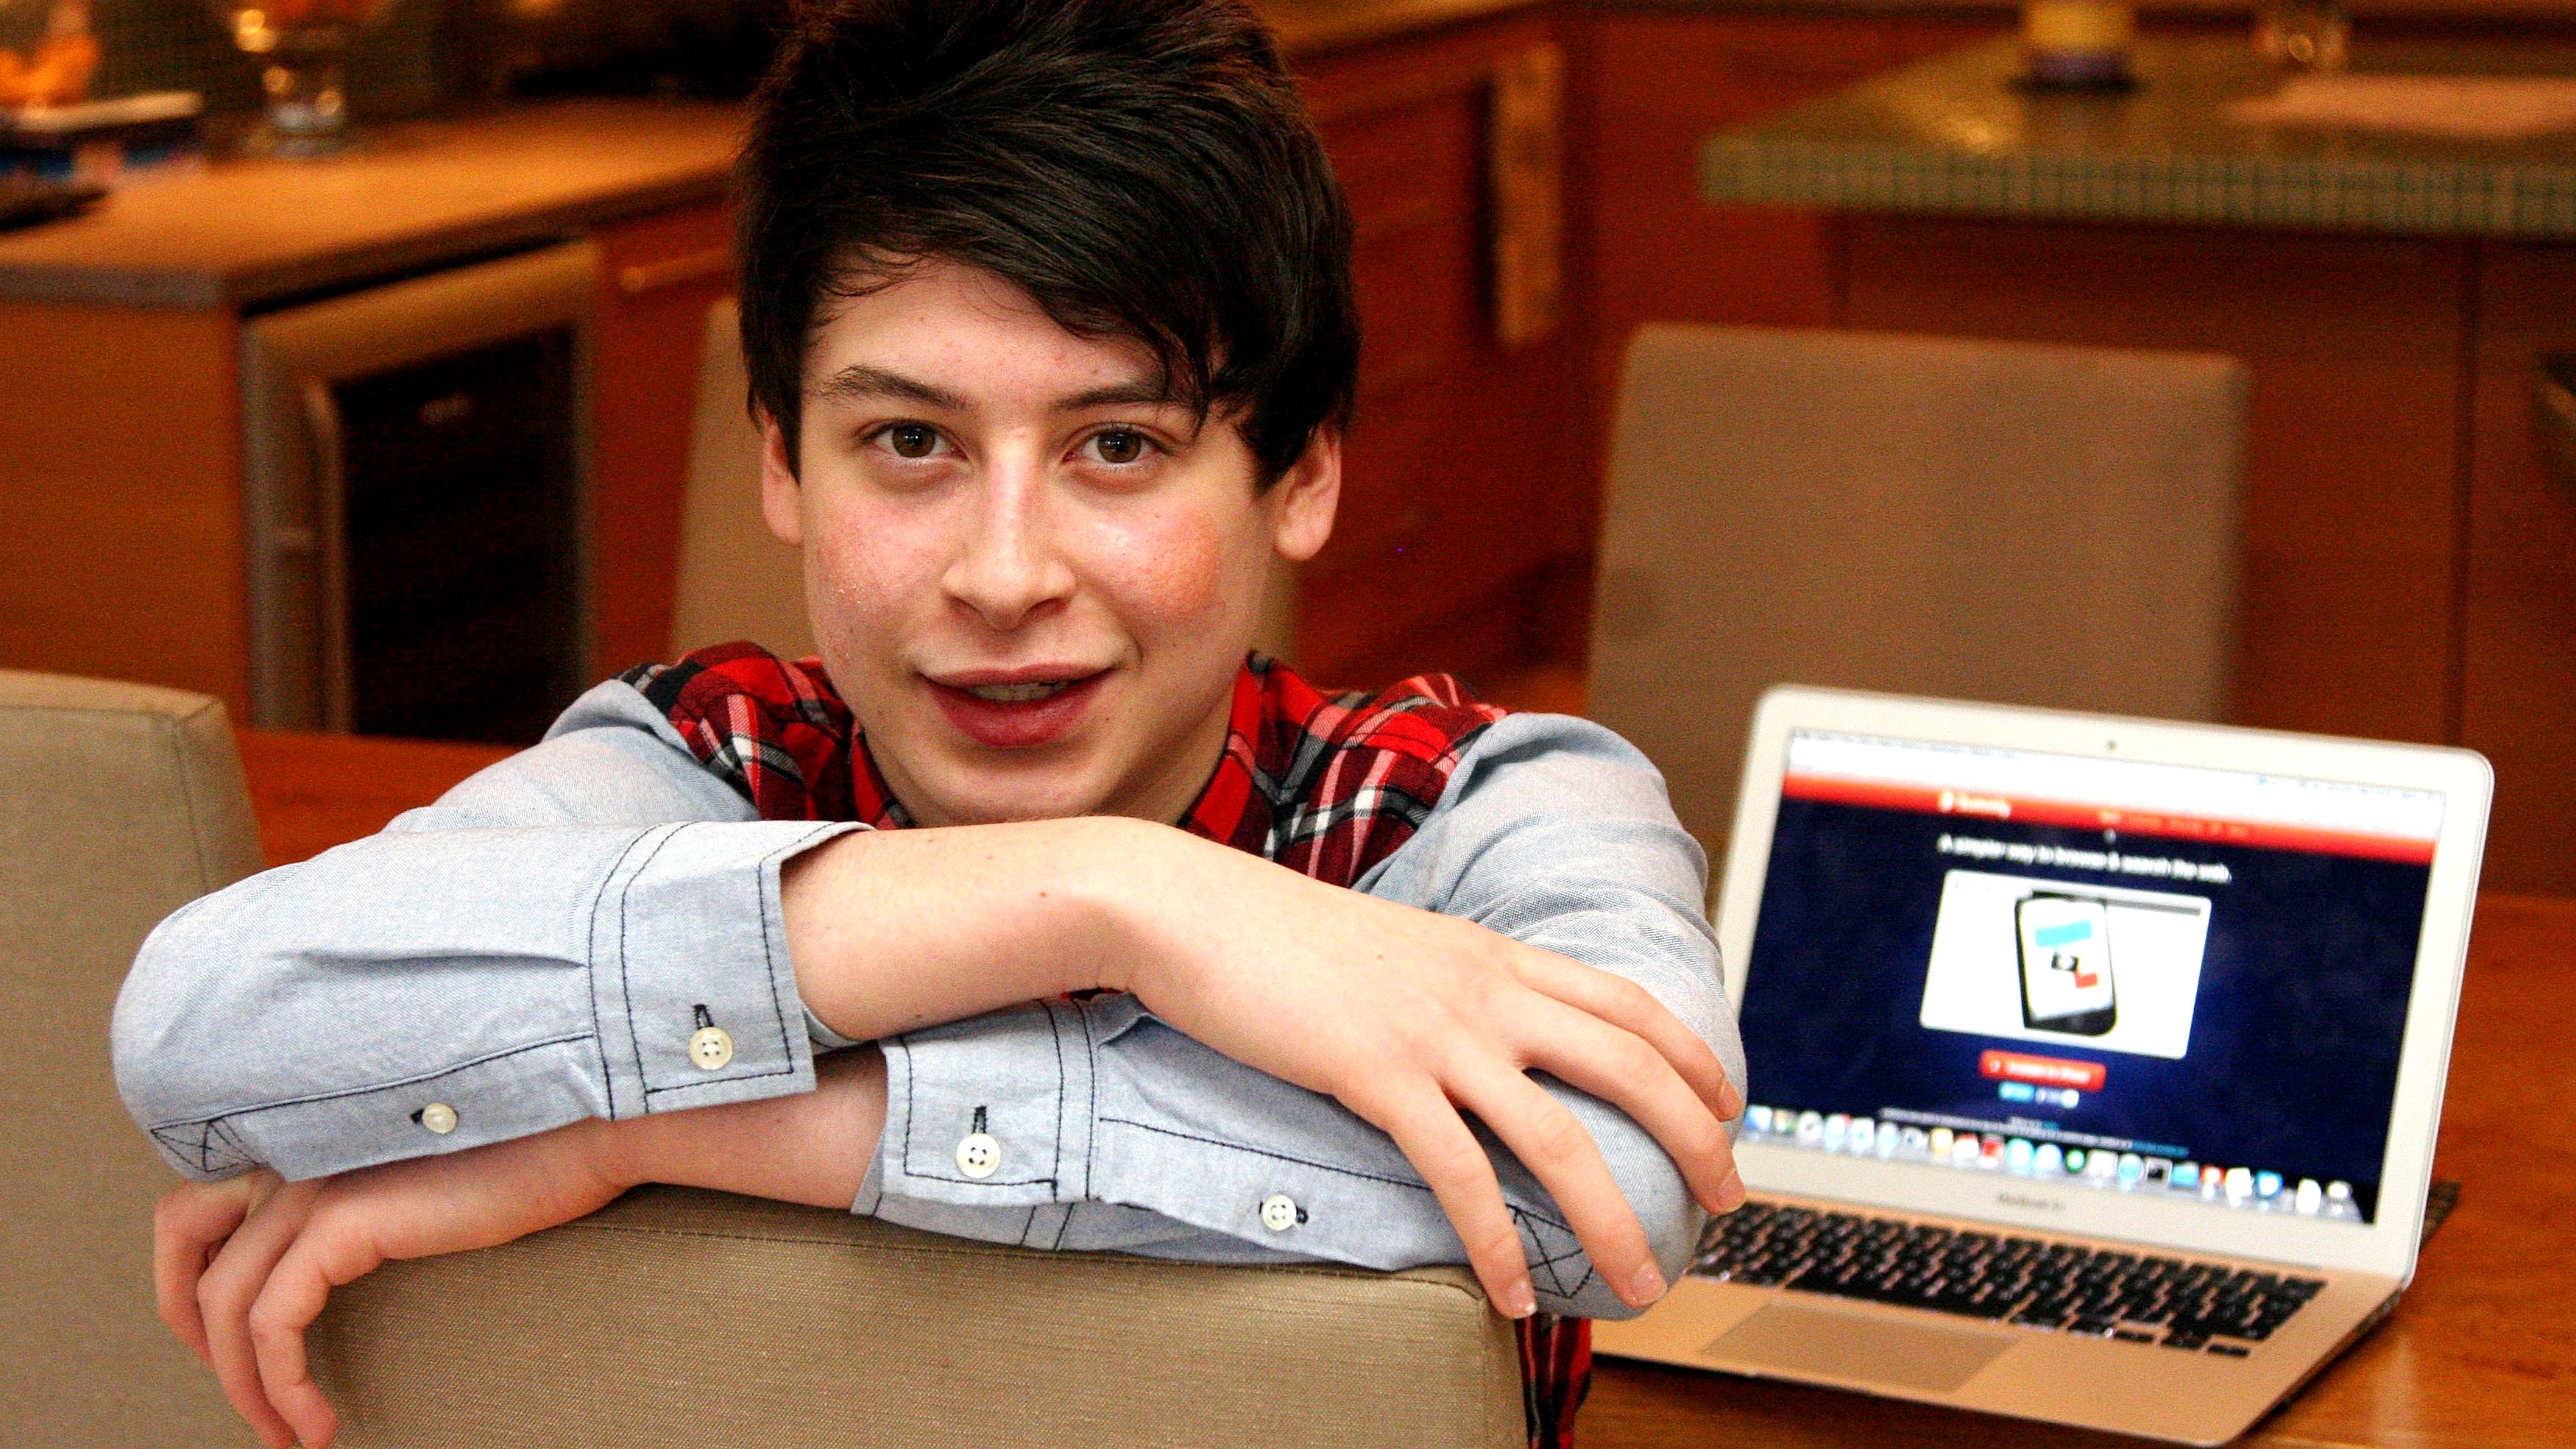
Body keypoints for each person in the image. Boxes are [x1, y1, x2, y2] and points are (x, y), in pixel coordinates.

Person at [112, 2, 1747, 1446]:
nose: (1003, 574)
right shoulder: (712, 763)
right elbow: (214, 1021)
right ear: (781, 459)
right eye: (909, 440)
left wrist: (683, 1116)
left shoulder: (1468, 812)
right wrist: (1120, 897)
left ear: (1301, 470)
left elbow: (1610, 1192)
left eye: (1117, 446)